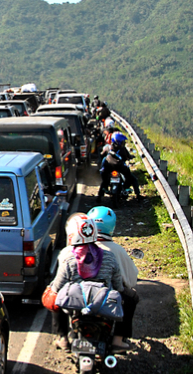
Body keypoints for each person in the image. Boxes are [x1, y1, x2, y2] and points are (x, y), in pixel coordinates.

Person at [49, 214, 124, 350]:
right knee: (127, 298)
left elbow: (57, 287)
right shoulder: (109, 257)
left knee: (54, 297)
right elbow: (118, 285)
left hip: (74, 306)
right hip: (103, 305)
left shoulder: (69, 258)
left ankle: (62, 337)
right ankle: (118, 340)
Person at [87, 206, 139, 351]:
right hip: (106, 296)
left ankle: (63, 337)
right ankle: (118, 339)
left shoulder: (79, 247)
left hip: (82, 295)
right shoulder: (117, 250)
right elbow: (131, 280)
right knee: (131, 297)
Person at [99, 133, 142, 200]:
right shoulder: (122, 149)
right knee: (133, 179)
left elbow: (101, 155)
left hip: (109, 168)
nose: (123, 143)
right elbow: (128, 156)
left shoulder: (108, 147)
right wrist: (130, 157)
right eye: (122, 142)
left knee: (104, 181)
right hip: (120, 168)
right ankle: (138, 195)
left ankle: (99, 196)